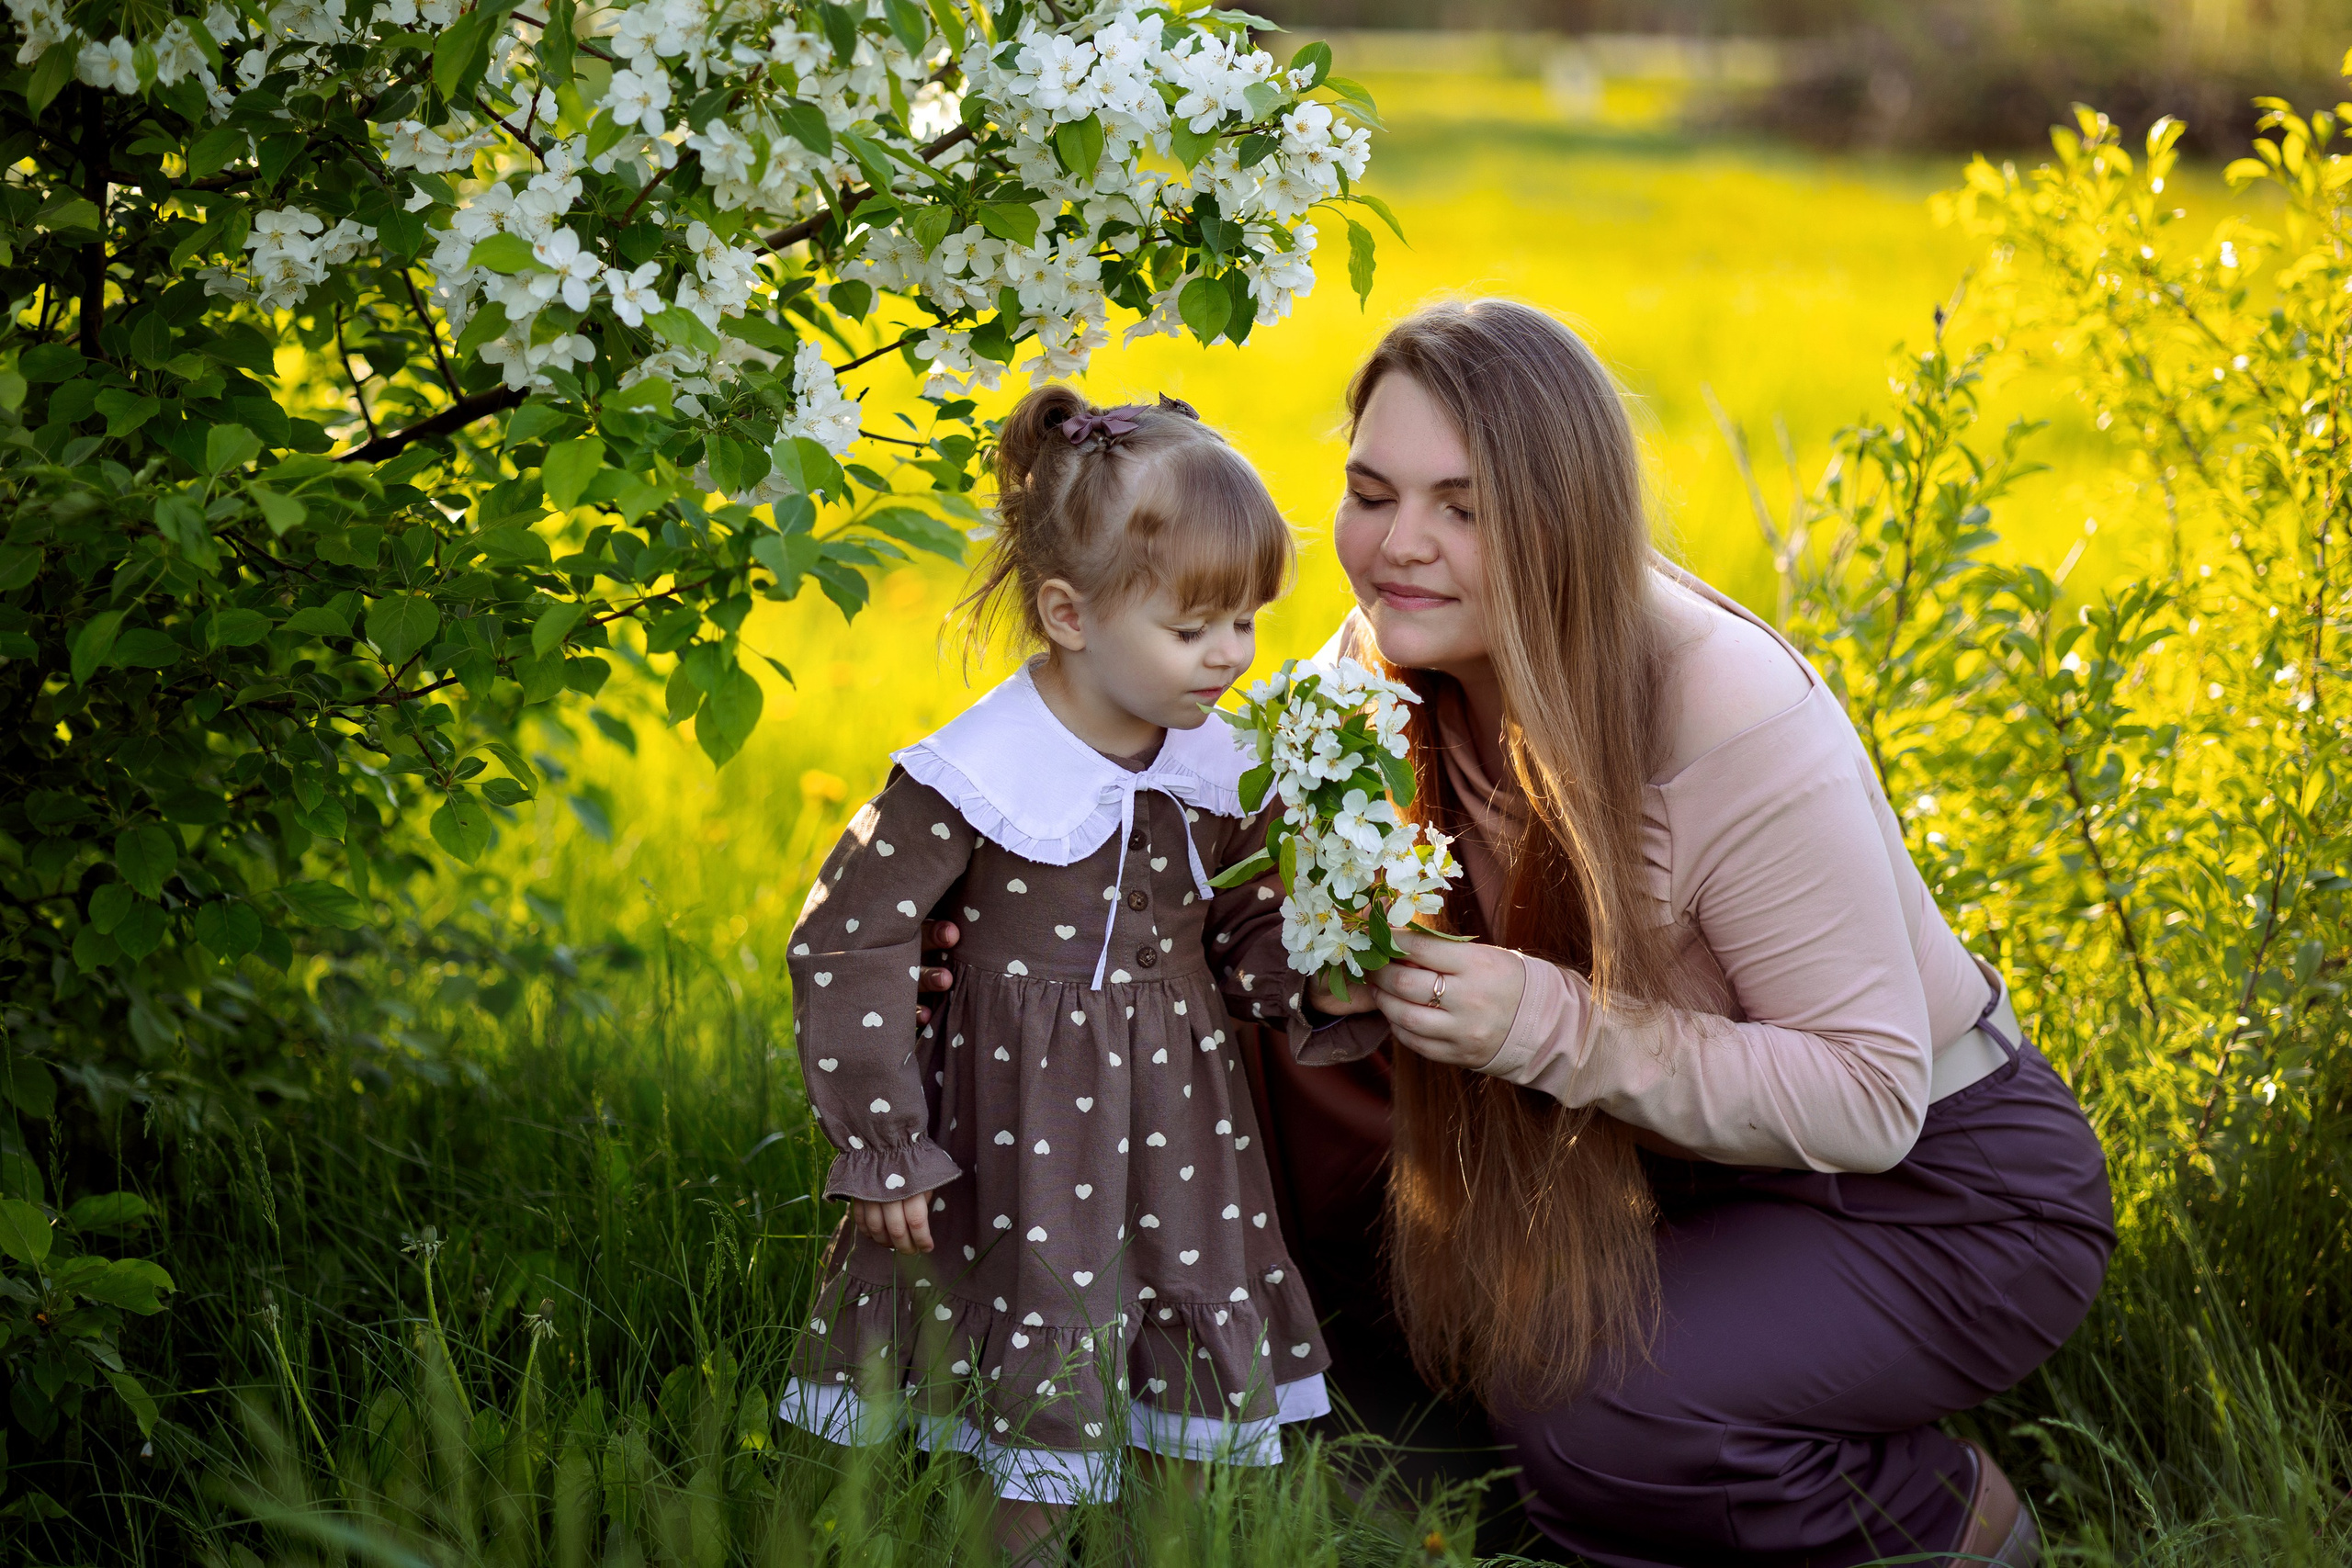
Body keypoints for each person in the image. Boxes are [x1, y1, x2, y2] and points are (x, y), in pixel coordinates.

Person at [920, 301, 2114, 1567]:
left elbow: (1870, 1098)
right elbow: (1208, 880)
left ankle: (1936, 1519)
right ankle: (1384, 1455)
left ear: (1563, 518)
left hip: (1925, 1191)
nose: (1400, 545)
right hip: (1653, 1157)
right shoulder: (1379, 664)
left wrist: (1544, 1022)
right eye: (1371, 494)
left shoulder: (1721, 704)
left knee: (1607, 1408)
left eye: (1464, 508)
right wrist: (1006, 939)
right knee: (1235, 1041)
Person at [779, 386, 1338, 1562]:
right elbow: (850, 940)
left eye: (1246, 621)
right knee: (1041, 1351)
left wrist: (1320, 978)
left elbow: (1244, 918)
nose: (1229, 656)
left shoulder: (1215, 762)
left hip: (1179, 1124)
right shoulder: (973, 773)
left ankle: (1156, 1545)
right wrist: (882, 1138)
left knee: (1174, 1355)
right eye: (1192, 627)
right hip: (1016, 1127)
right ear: (1069, 615)